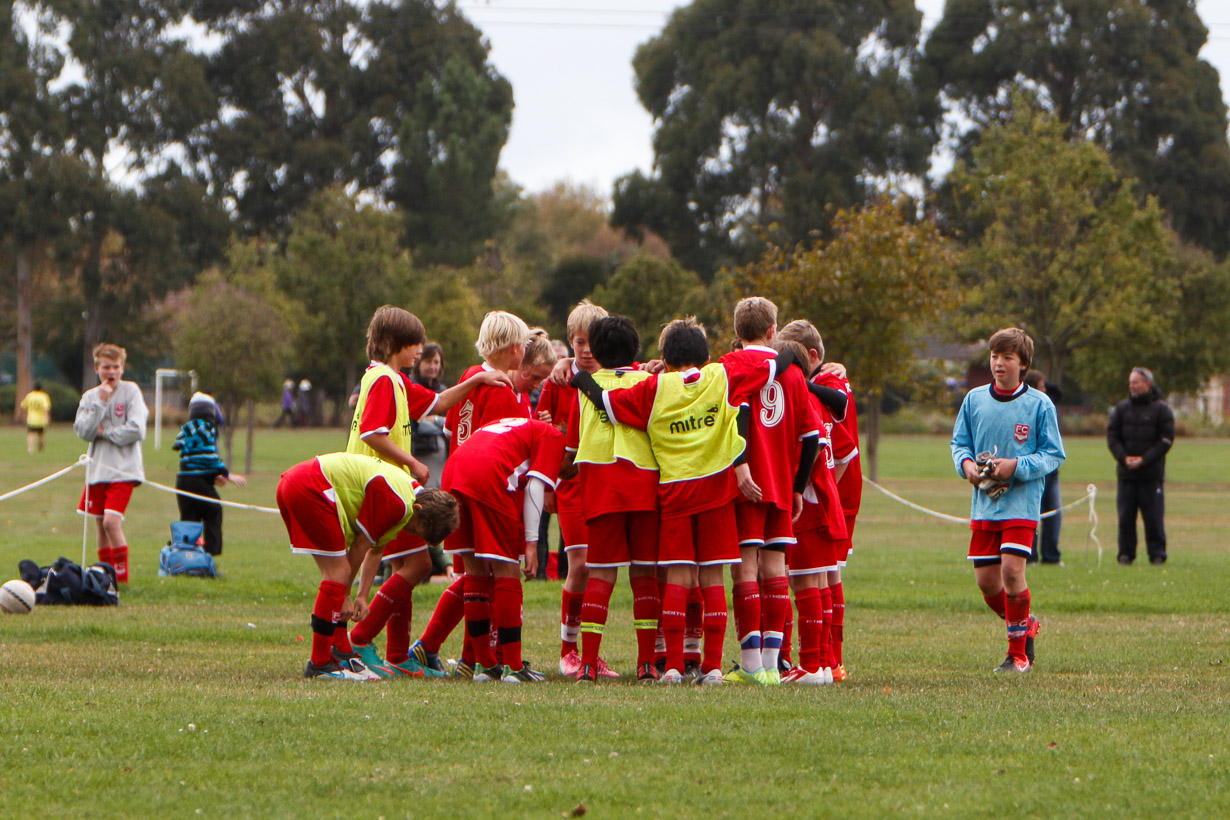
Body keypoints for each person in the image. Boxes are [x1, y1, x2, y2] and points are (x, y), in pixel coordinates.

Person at [572, 317, 789, 684]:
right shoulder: (719, 376)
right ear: (706, 357)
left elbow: (605, 402)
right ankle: (713, 667)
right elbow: (772, 365)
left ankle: (672, 666)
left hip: (674, 493)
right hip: (717, 493)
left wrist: (581, 378)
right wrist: (791, 356)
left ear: (666, 360)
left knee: (677, 576)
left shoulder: (657, 387)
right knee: (712, 577)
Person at [344, 306, 511, 678]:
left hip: (386, 486)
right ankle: (360, 638)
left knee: (406, 565)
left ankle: (396, 655)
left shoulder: (394, 379)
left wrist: (476, 380)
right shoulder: (384, 379)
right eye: (414, 343)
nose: (420, 350)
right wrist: (414, 464)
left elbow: (439, 402)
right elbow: (372, 433)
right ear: (394, 343)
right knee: (418, 565)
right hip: (381, 486)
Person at [276, 452, 458, 680]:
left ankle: (341, 649)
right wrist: (345, 595)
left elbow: (375, 548)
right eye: (415, 529)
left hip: (301, 483)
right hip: (310, 486)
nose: (410, 532)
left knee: (338, 574)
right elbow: (360, 546)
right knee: (338, 574)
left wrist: (361, 596)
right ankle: (320, 663)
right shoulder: (398, 502)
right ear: (420, 510)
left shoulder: (408, 497)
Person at [719, 297, 820, 686]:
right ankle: (772, 665)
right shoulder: (793, 373)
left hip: (743, 484)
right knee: (775, 568)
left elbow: (734, 417)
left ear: (736, 332)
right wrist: (796, 488)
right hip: (779, 485)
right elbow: (811, 438)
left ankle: (751, 666)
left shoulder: (730, 367)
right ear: (772, 330)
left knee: (745, 568)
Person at [950, 328, 1064, 674]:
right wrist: (967, 466)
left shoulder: (1039, 404)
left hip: (1021, 504)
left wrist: (1016, 466)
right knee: (987, 582)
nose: (998, 363)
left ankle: (1017, 656)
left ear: (1023, 364)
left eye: (1007, 357)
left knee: (1012, 572)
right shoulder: (974, 400)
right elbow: (959, 444)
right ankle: (1026, 622)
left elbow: (1053, 455)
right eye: (995, 356)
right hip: (985, 505)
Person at [564, 315, 662, 682]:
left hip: (601, 487)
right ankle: (647, 664)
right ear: (635, 349)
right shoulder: (650, 383)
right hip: (644, 485)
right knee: (645, 574)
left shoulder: (583, 390)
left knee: (601, 574)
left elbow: (571, 449)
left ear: (596, 350)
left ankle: (588, 663)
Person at [442, 416, 566, 682]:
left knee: (475, 573)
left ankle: (484, 665)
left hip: (454, 469)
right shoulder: (554, 437)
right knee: (507, 569)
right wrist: (531, 544)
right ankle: (512, 666)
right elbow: (535, 487)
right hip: (489, 472)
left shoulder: (518, 425)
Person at [537, 299, 611, 676]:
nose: (586, 350)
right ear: (570, 341)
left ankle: (592, 653)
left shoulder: (617, 376)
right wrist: (548, 484)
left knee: (602, 568)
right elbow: (543, 435)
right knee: (579, 565)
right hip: (571, 486)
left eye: (592, 342)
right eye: (579, 343)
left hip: (607, 485)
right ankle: (568, 650)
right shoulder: (558, 381)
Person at [73, 343, 148, 584]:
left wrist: (105, 433)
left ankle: (121, 579)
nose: (111, 372)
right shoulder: (90, 397)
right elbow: (84, 431)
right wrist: (100, 403)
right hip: (97, 470)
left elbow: (136, 429)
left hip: (124, 470)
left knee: (111, 522)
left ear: (122, 368)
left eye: (116, 366)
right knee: (100, 525)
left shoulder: (131, 391)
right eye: (106, 367)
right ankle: (104, 576)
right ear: (97, 369)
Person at [1107, 367, 1175, 566]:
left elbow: (1166, 440)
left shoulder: (1161, 410)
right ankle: (1125, 554)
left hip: (1151, 475)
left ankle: (1157, 554)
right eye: (1130, 382)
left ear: (1147, 384)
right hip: (1126, 474)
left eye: (1135, 382)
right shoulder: (1121, 409)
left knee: (1153, 517)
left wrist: (1144, 460)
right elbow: (1112, 436)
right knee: (1125, 517)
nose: (1132, 386)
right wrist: (1124, 458)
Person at [172, 391, 246, 557]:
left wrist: (212, 475)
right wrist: (226, 474)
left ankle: (186, 555)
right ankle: (211, 553)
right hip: (199, 482)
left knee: (189, 519)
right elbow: (209, 457)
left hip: (182, 481)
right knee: (213, 510)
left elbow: (184, 450)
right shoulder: (207, 430)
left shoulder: (185, 430)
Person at [1024, 370, 1064, 565]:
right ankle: (1029, 555)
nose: (1045, 390)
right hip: (1034, 470)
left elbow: (1059, 393)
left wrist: (1042, 381)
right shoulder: (1026, 408)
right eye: (1041, 387)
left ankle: (1051, 556)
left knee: (1054, 513)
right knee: (1033, 514)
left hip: (1051, 471)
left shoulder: (1048, 404)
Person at [21, 382, 52, 454]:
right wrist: (47, 418)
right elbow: (46, 408)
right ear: (41, 388)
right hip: (41, 420)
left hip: (31, 419)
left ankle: (30, 449)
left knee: (31, 434)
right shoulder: (44, 396)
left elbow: (23, 406)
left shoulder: (30, 396)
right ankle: (40, 448)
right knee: (41, 435)